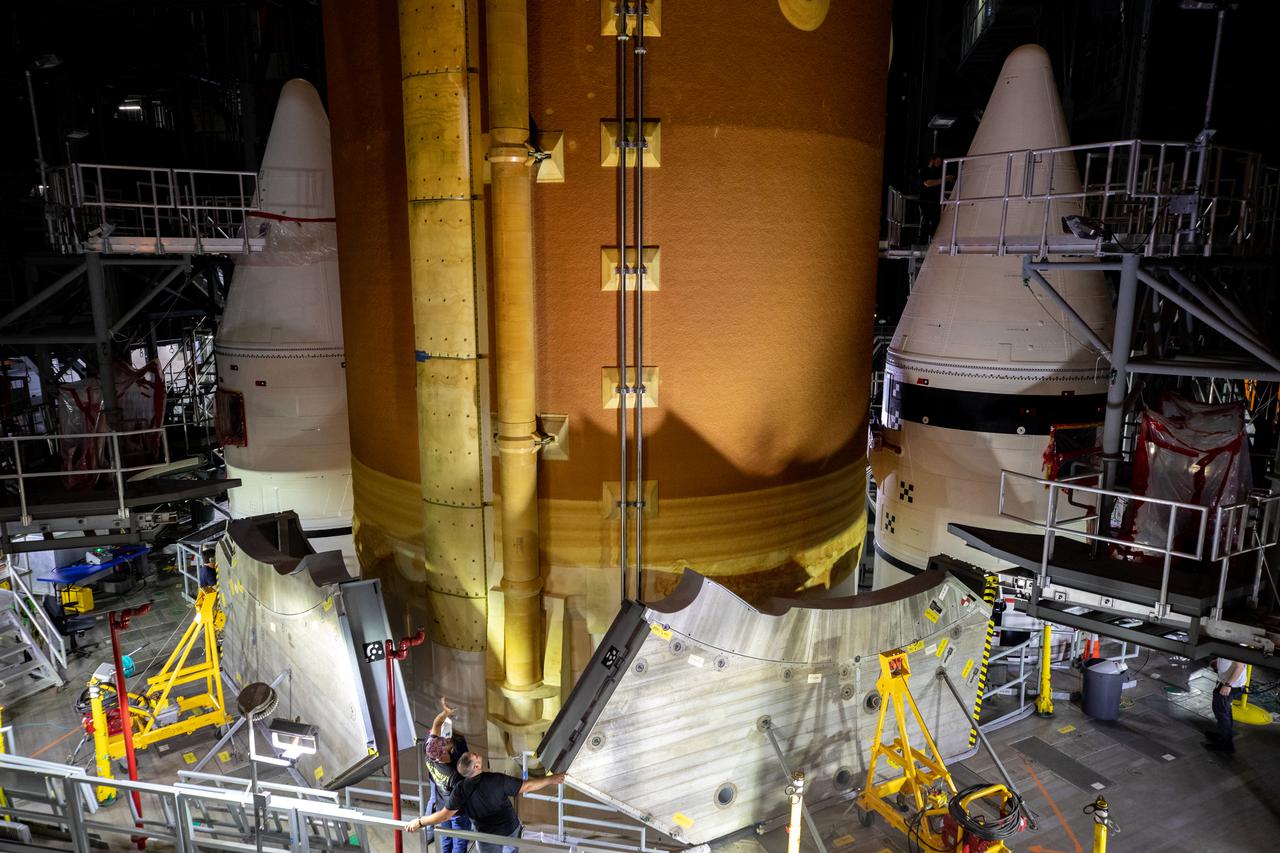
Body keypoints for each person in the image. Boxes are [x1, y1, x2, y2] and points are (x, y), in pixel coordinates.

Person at [406, 750, 566, 853]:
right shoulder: (496, 780)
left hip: (485, 836)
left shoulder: (459, 790)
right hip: (510, 830)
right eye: (475, 755)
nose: (477, 753)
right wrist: (551, 779)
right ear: (476, 766)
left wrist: (419, 822)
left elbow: (443, 816)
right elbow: (528, 786)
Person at [423, 696, 472, 853]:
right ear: (445, 752)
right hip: (455, 810)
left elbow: (436, 725)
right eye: (447, 744)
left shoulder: (429, 752)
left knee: (445, 837)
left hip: (441, 805)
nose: (448, 742)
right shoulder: (454, 774)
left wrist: (445, 713)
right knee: (459, 842)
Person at [1204, 657, 1247, 753]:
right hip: (1225, 682)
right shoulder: (1229, 644)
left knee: (1222, 714)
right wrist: (1218, 662)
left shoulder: (1235, 645)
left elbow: (1240, 667)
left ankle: (1226, 745)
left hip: (1229, 685)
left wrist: (1228, 685)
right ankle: (1222, 736)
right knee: (1225, 712)